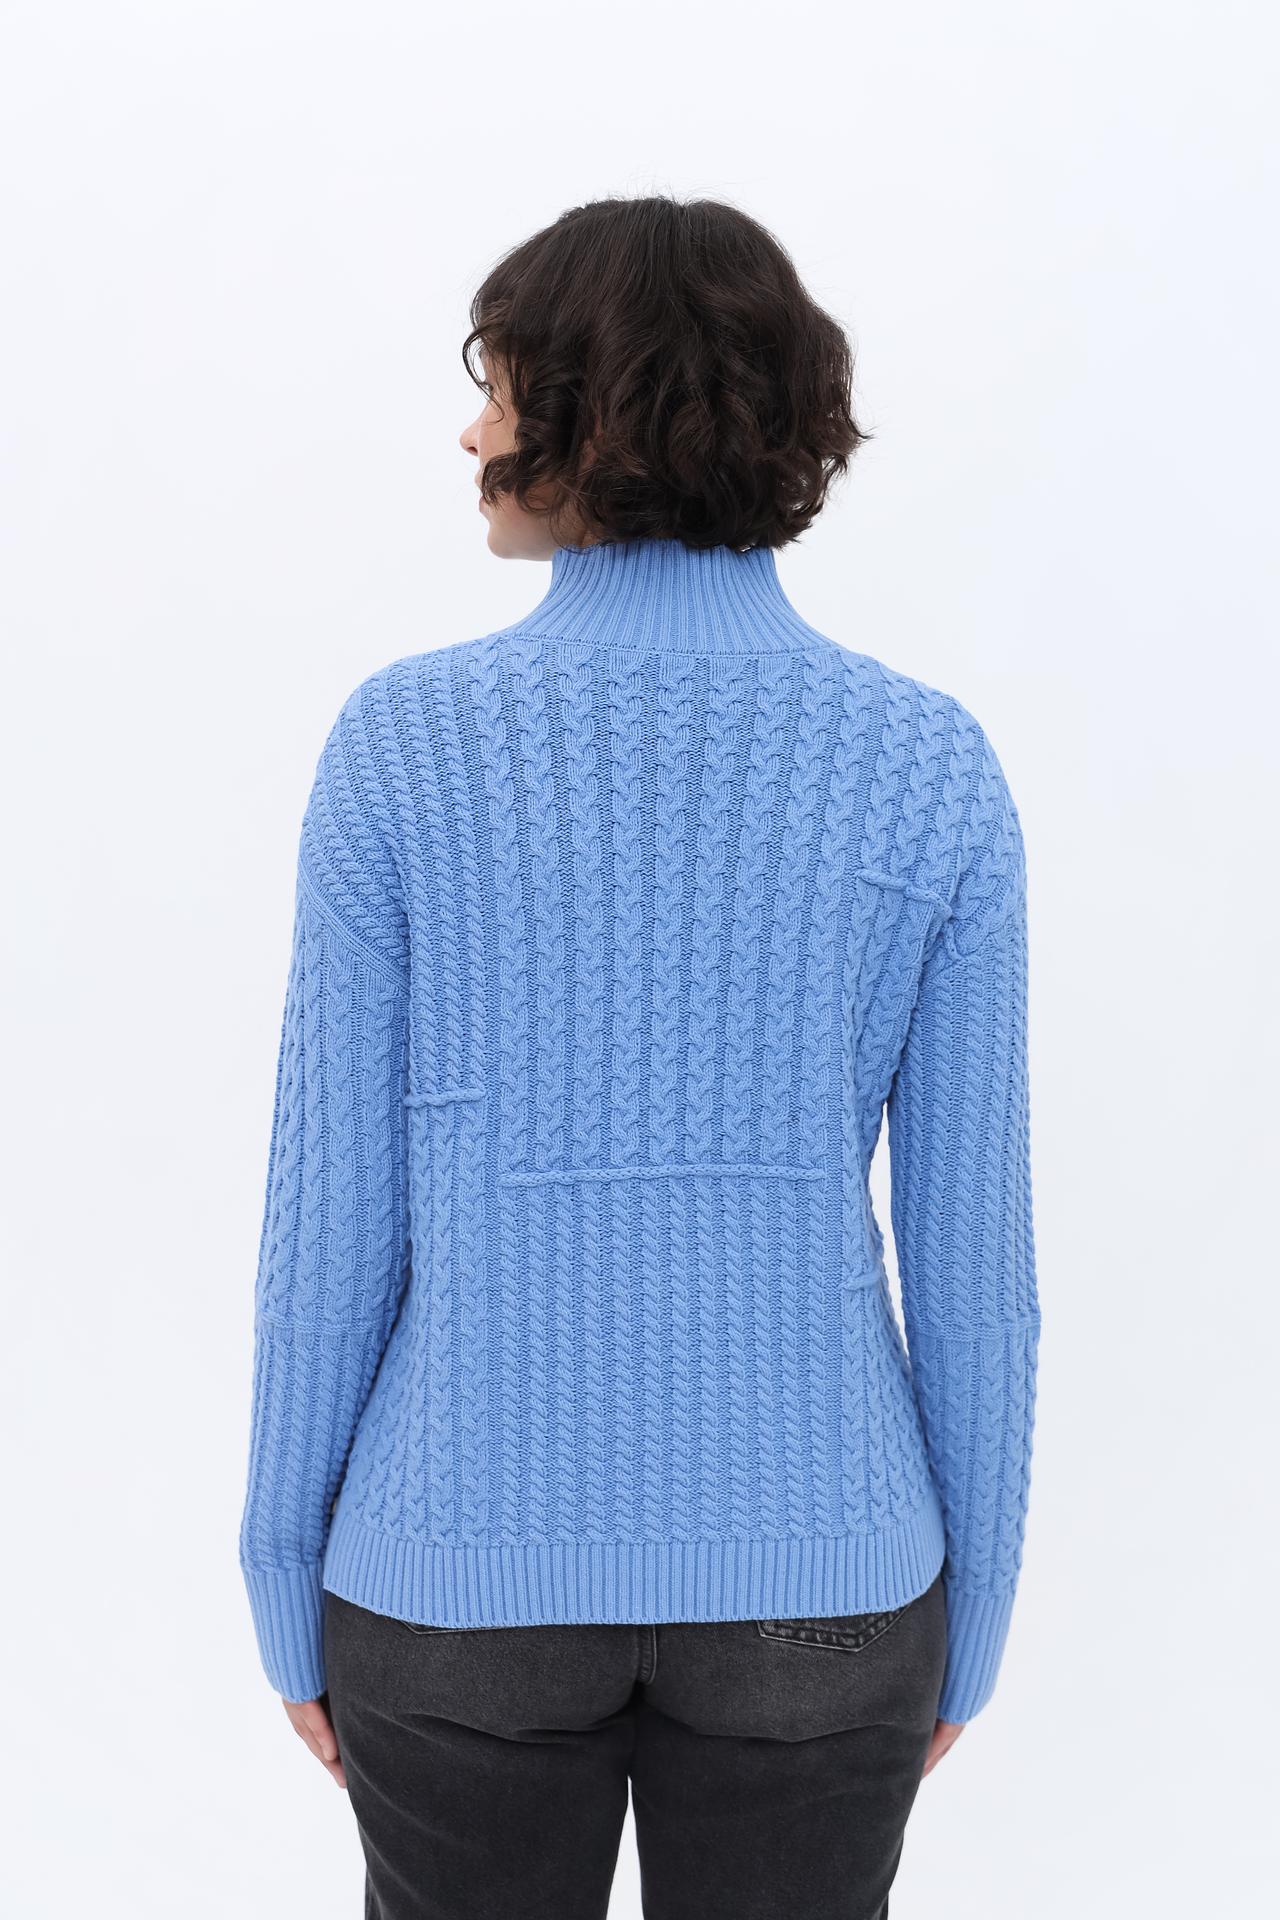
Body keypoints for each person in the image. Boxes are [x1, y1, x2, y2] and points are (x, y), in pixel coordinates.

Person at [238, 193, 1041, 1920]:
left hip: (452, 1577)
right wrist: (975, 1616)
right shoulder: (930, 767)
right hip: (827, 1592)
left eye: (498, 388)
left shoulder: (402, 749)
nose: (472, 434)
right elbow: (979, 1268)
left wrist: (280, 1563)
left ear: (601, 412)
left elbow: (330, 1236)